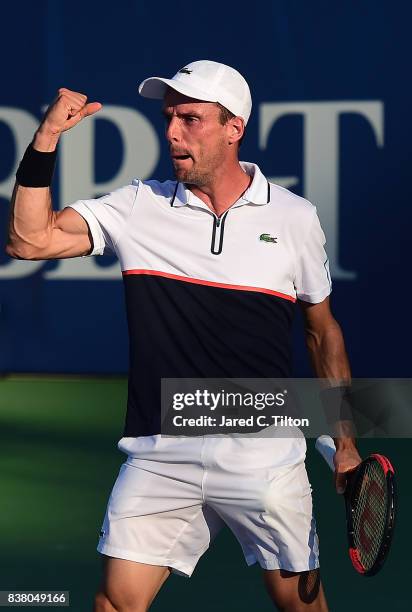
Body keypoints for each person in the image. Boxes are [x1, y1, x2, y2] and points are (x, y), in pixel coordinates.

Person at [7, 60, 361, 611]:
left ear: (234, 127)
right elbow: (31, 241)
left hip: (263, 451)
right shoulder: (137, 206)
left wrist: (344, 440)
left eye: (191, 118)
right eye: (169, 117)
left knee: (301, 606)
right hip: (159, 450)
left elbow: (321, 332)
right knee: (116, 603)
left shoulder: (294, 218)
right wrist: (47, 137)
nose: (172, 131)